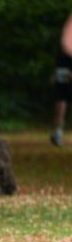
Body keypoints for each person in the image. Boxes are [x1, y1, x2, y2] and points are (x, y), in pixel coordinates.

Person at [50, 14, 72, 146]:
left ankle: (57, 132)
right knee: (61, 101)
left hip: (64, 71)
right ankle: (57, 132)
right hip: (63, 72)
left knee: (61, 100)